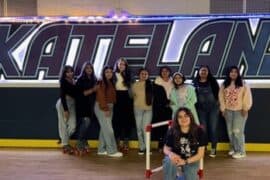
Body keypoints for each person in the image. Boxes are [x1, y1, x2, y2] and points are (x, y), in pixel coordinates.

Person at [163, 107, 207, 180]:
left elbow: (200, 154)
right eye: (180, 117)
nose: (183, 119)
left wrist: (185, 161)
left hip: (191, 159)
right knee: (168, 160)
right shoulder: (172, 131)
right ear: (177, 120)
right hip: (176, 158)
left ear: (190, 117)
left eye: (186, 116)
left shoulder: (199, 131)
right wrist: (171, 154)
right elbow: (165, 148)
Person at [218, 66, 252, 159]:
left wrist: (245, 108)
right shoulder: (224, 84)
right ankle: (233, 148)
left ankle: (241, 151)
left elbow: (247, 96)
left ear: (238, 73)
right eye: (231, 72)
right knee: (230, 132)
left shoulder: (243, 84)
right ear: (228, 73)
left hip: (239, 111)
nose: (233, 73)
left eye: (235, 72)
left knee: (238, 132)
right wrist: (223, 109)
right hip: (228, 111)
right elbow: (221, 97)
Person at [95, 66, 123, 157]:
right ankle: (112, 151)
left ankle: (101, 150)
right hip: (102, 106)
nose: (109, 73)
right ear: (103, 73)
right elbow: (100, 96)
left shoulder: (110, 82)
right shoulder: (101, 82)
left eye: (110, 72)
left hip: (109, 106)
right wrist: (105, 108)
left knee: (104, 129)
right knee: (109, 130)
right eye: (107, 72)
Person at [193, 65, 220, 157]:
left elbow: (218, 94)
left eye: (205, 71)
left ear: (208, 72)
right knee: (202, 129)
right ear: (199, 72)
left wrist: (218, 106)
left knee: (213, 128)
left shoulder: (212, 82)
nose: (203, 72)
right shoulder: (194, 82)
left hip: (213, 109)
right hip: (201, 110)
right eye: (202, 70)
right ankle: (203, 147)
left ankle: (213, 148)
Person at [112, 58, 134, 152]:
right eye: (120, 64)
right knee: (116, 121)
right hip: (117, 97)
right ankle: (117, 141)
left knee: (127, 121)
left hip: (127, 98)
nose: (122, 66)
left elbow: (132, 89)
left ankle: (125, 141)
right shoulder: (113, 74)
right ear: (117, 65)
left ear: (126, 66)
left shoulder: (129, 75)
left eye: (123, 64)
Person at [75, 62, 97, 153]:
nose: (89, 69)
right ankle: (79, 142)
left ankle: (84, 141)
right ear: (84, 69)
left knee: (87, 124)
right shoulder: (80, 80)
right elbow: (81, 94)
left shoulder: (94, 79)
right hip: (82, 105)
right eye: (87, 68)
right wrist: (93, 90)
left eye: (90, 68)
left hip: (91, 105)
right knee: (86, 123)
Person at [56, 65, 77, 154]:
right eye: (68, 72)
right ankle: (65, 144)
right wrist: (65, 109)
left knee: (73, 125)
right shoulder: (63, 81)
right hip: (63, 104)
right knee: (63, 124)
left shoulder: (74, 81)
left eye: (71, 71)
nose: (70, 73)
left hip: (72, 103)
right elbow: (62, 95)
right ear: (64, 73)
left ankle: (64, 139)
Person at [132, 68, 153, 155]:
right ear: (139, 75)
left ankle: (148, 148)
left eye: (146, 74)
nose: (144, 75)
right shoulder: (135, 85)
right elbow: (133, 96)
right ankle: (142, 147)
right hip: (137, 109)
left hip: (148, 110)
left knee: (146, 129)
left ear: (148, 75)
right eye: (142, 74)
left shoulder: (151, 84)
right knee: (139, 129)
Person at [152, 66, 173, 151]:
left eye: (166, 71)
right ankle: (161, 144)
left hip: (171, 107)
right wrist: (164, 103)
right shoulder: (156, 82)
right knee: (160, 126)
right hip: (159, 107)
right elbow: (156, 96)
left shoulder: (173, 81)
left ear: (169, 72)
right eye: (163, 71)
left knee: (169, 126)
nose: (164, 73)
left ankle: (168, 144)